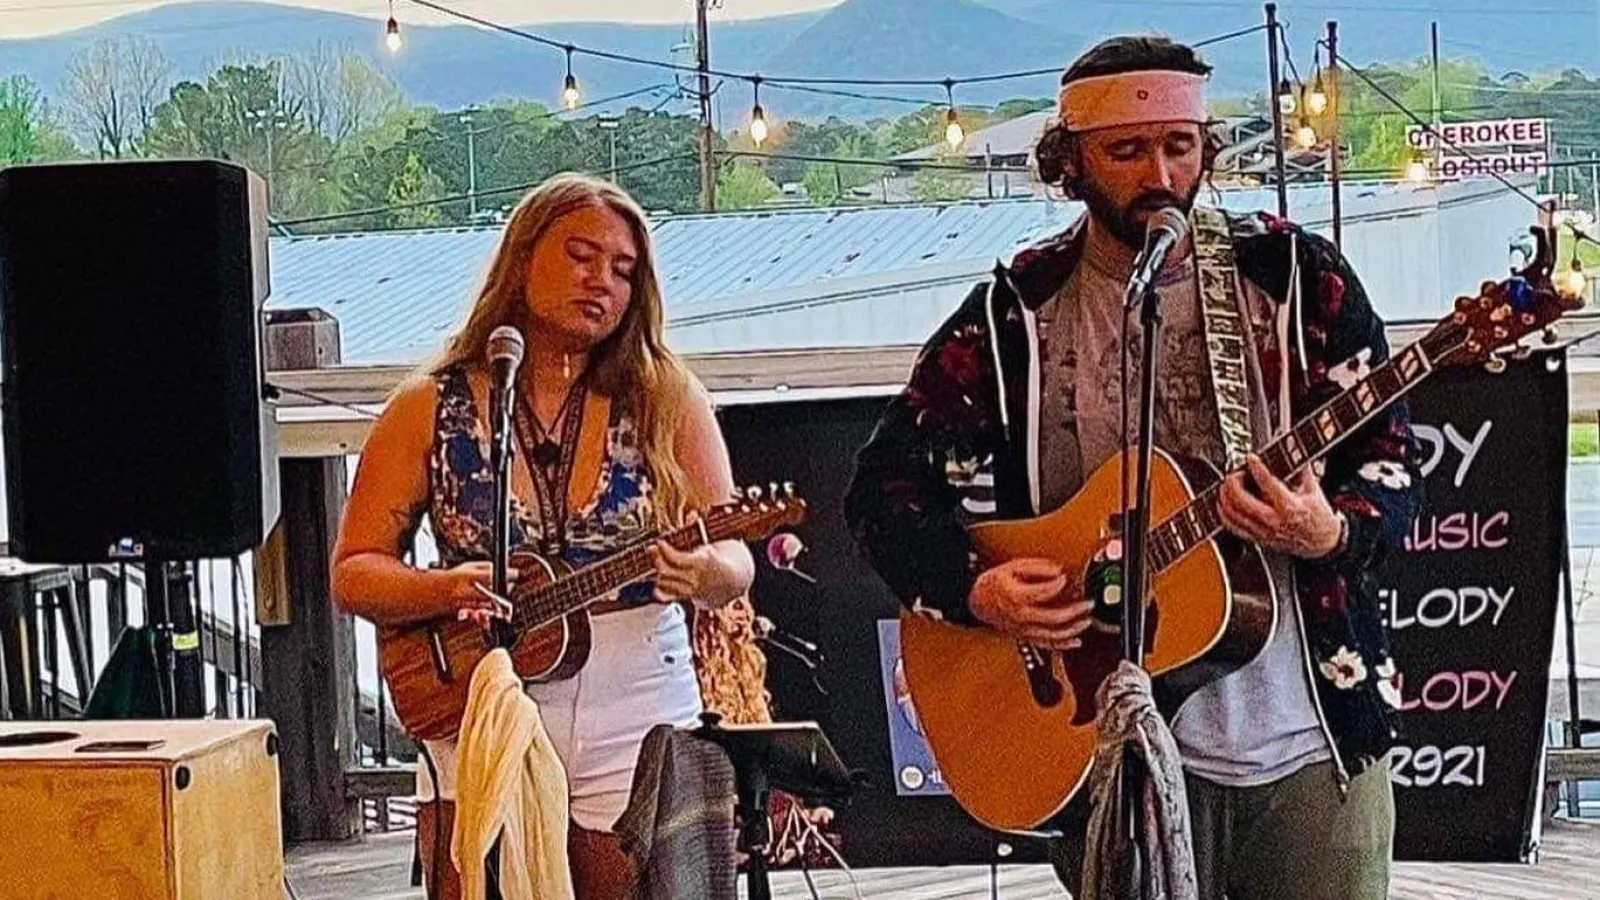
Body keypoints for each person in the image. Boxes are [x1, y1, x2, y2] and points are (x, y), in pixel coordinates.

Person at [843, 35, 1423, 900]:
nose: (1160, 173)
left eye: (1180, 146)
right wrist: (976, 588)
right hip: (1104, 754)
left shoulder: (1297, 278)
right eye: (1127, 151)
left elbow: (1391, 459)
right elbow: (881, 492)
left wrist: (1329, 530)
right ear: (1070, 162)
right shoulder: (1016, 315)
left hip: (1309, 734)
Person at [331, 172, 789, 898]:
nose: (602, 281)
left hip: (636, 689)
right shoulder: (428, 406)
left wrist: (707, 573)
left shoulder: (668, 398)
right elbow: (355, 571)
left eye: (623, 270)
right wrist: (447, 588)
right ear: (522, 259)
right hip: (478, 685)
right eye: (581, 256)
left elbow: (736, 558)